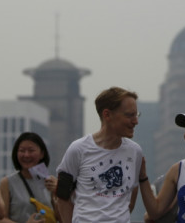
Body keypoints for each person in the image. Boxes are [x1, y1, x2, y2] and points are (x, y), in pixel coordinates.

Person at [55, 86, 144, 223]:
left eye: (136, 115)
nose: (135, 121)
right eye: (129, 115)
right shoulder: (78, 149)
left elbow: (131, 198)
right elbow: (62, 197)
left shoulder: (135, 152)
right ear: (107, 115)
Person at [0, 132, 59, 223]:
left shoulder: (50, 182)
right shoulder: (7, 182)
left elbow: (61, 217)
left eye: (31, 150)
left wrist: (57, 192)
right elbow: (2, 219)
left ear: (42, 154)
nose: (26, 155)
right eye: (22, 151)